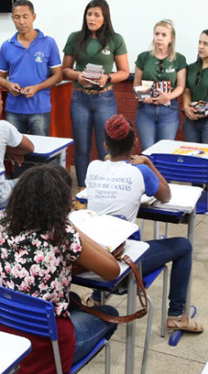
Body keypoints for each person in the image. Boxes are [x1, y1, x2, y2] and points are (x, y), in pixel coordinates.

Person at [0, 164, 120, 374]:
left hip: (9, 336)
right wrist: (68, 225)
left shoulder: (4, 223)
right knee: (109, 314)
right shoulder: (60, 234)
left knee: (71, 301)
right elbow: (111, 270)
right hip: (48, 344)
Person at [85, 115, 200, 333]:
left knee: (103, 228)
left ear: (105, 145)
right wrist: (148, 162)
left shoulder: (93, 167)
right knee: (184, 246)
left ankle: (96, 296)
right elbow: (165, 195)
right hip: (123, 261)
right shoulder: (140, 170)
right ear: (135, 142)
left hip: (93, 257)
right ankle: (176, 316)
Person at [62, 0, 129, 187]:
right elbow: (65, 70)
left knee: (105, 146)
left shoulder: (115, 39)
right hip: (80, 98)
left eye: (97, 15)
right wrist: (78, 75)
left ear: (105, 17)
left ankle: (104, 186)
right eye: (89, 14)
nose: (92, 18)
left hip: (104, 99)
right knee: (82, 146)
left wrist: (107, 78)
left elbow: (124, 72)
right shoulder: (75, 37)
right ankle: (83, 188)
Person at [0, 0, 63, 136]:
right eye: (17, 17)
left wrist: (36, 88)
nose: (21, 22)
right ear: (12, 18)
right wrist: (9, 85)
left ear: (33, 17)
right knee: (16, 152)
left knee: (41, 151)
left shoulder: (48, 42)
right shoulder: (6, 46)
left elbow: (58, 75)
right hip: (13, 109)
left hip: (40, 109)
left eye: (25, 17)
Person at [132, 18, 187, 149]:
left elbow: (181, 86)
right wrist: (143, 95)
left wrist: (168, 97)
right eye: (157, 34)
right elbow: (136, 82)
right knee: (147, 150)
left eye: (163, 35)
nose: (159, 38)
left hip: (168, 110)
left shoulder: (179, 59)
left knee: (164, 151)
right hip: (146, 110)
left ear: (171, 38)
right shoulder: (143, 57)